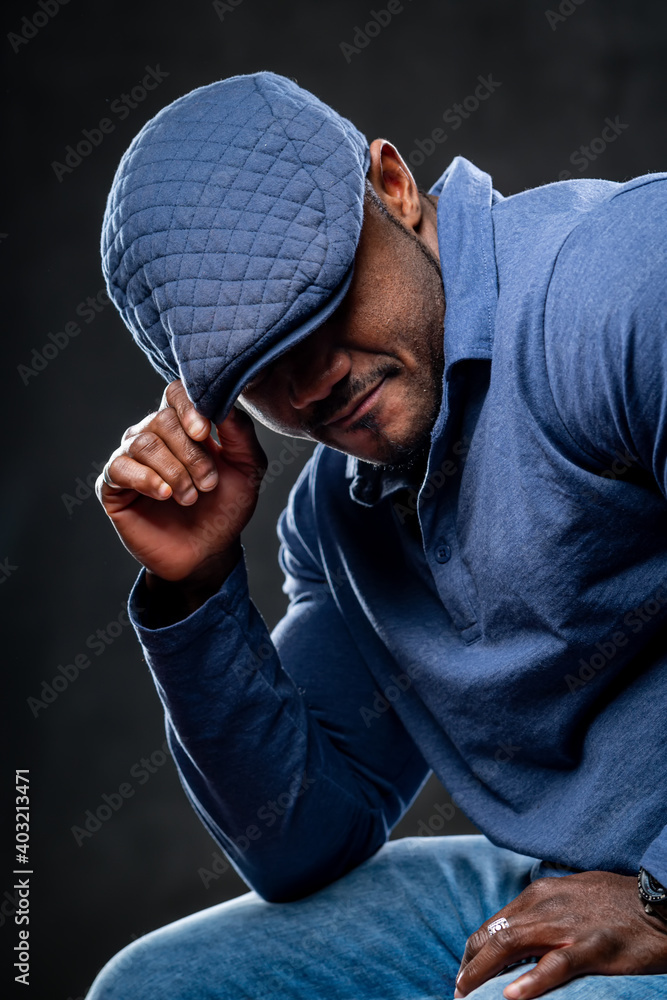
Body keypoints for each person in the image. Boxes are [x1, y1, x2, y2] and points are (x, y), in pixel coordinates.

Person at [86, 70, 667, 999]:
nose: (312, 381)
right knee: (153, 987)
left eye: (321, 302)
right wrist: (193, 591)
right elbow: (301, 843)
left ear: (392, 187)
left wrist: (659, 894)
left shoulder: (623, 283)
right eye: (260, 368)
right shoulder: (336, 517)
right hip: (566, 878)